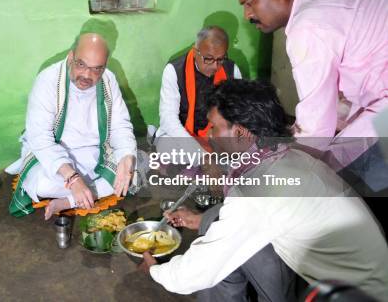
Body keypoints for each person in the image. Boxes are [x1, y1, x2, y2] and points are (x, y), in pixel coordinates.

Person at [140, 79, 388, 301]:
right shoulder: (287, 158)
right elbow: (253, 208)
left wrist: (155, 270)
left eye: (214, 127)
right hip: (367, 277)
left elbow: (194, 274)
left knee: (218, 251)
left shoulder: (260, 192)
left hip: (356, 295)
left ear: (240, 133)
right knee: (213, 224)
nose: (208, 134)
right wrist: (201, 218)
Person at [231, 0, 388, 190]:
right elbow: (337, 99)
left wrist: (285, 167)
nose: (247, 14)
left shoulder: (308, 25)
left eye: (250, 2)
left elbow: (317, 127)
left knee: (334, 174)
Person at [6, 33, 137, 219]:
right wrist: (73, 178)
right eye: (81, 64)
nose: (87, 75)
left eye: (96, 69)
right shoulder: (48, 80)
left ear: (104, 66)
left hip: (93, 152)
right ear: (70, 57)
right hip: (53, 154)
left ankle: (68, 201)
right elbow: (40, 139)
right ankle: (81, 192)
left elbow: (120, 125)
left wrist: (125, 156)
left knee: (131, 172)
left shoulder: (108, 80)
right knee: (42, 184)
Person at [156, 26, 242, 139]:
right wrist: (196, 150)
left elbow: (240, 111)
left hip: (216, 134)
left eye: (220, 59)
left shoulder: (231, 69)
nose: (215, 66)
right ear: (196, 52)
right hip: (181, 135)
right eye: (208, 58)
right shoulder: (174, 70)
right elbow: (168, 119)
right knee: (168, 144)